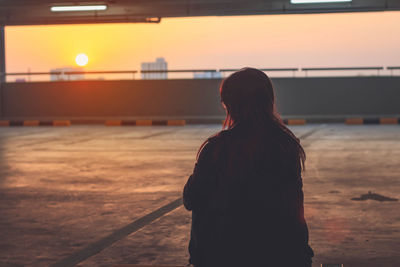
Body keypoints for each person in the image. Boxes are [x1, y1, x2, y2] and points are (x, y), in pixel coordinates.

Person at [183, 67, 314, 267]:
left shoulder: (217, 149)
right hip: (281, 256)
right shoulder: (285, 145)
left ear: (228, 104)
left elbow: (191, 199)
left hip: (222, 257)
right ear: (269, 100)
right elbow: (293, 208)